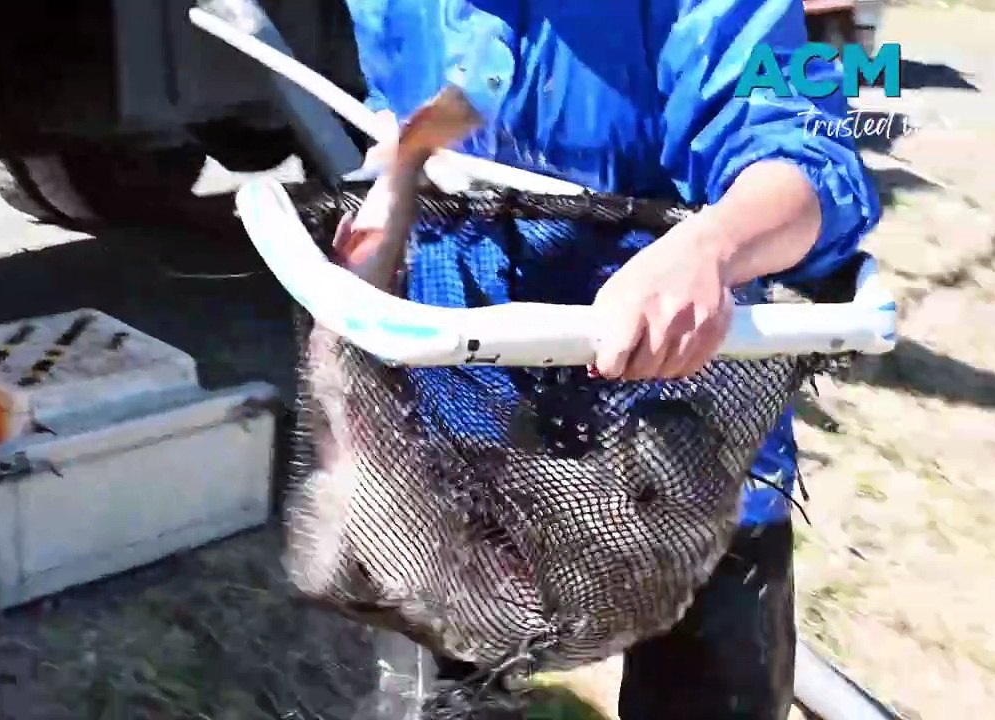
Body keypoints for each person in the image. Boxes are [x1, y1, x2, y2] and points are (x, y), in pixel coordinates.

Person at [339, 1, 881, 718]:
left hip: (685, 450)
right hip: (459, 432)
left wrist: (712, 247)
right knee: (437, 691)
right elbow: (400, 111)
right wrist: (393, 182)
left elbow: (809, 158)